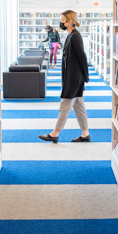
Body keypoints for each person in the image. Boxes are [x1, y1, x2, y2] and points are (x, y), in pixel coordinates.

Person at [39, 10, 91, 143]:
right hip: (71, 75)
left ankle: (55, 133)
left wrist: (86, 76)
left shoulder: (75, 36)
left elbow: (82, 57)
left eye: (63, 20)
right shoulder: (70, 35)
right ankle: (85, 134)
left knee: (65, 104)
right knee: (79, 105)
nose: (61, 22)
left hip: (74, 77)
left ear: (70, 21)